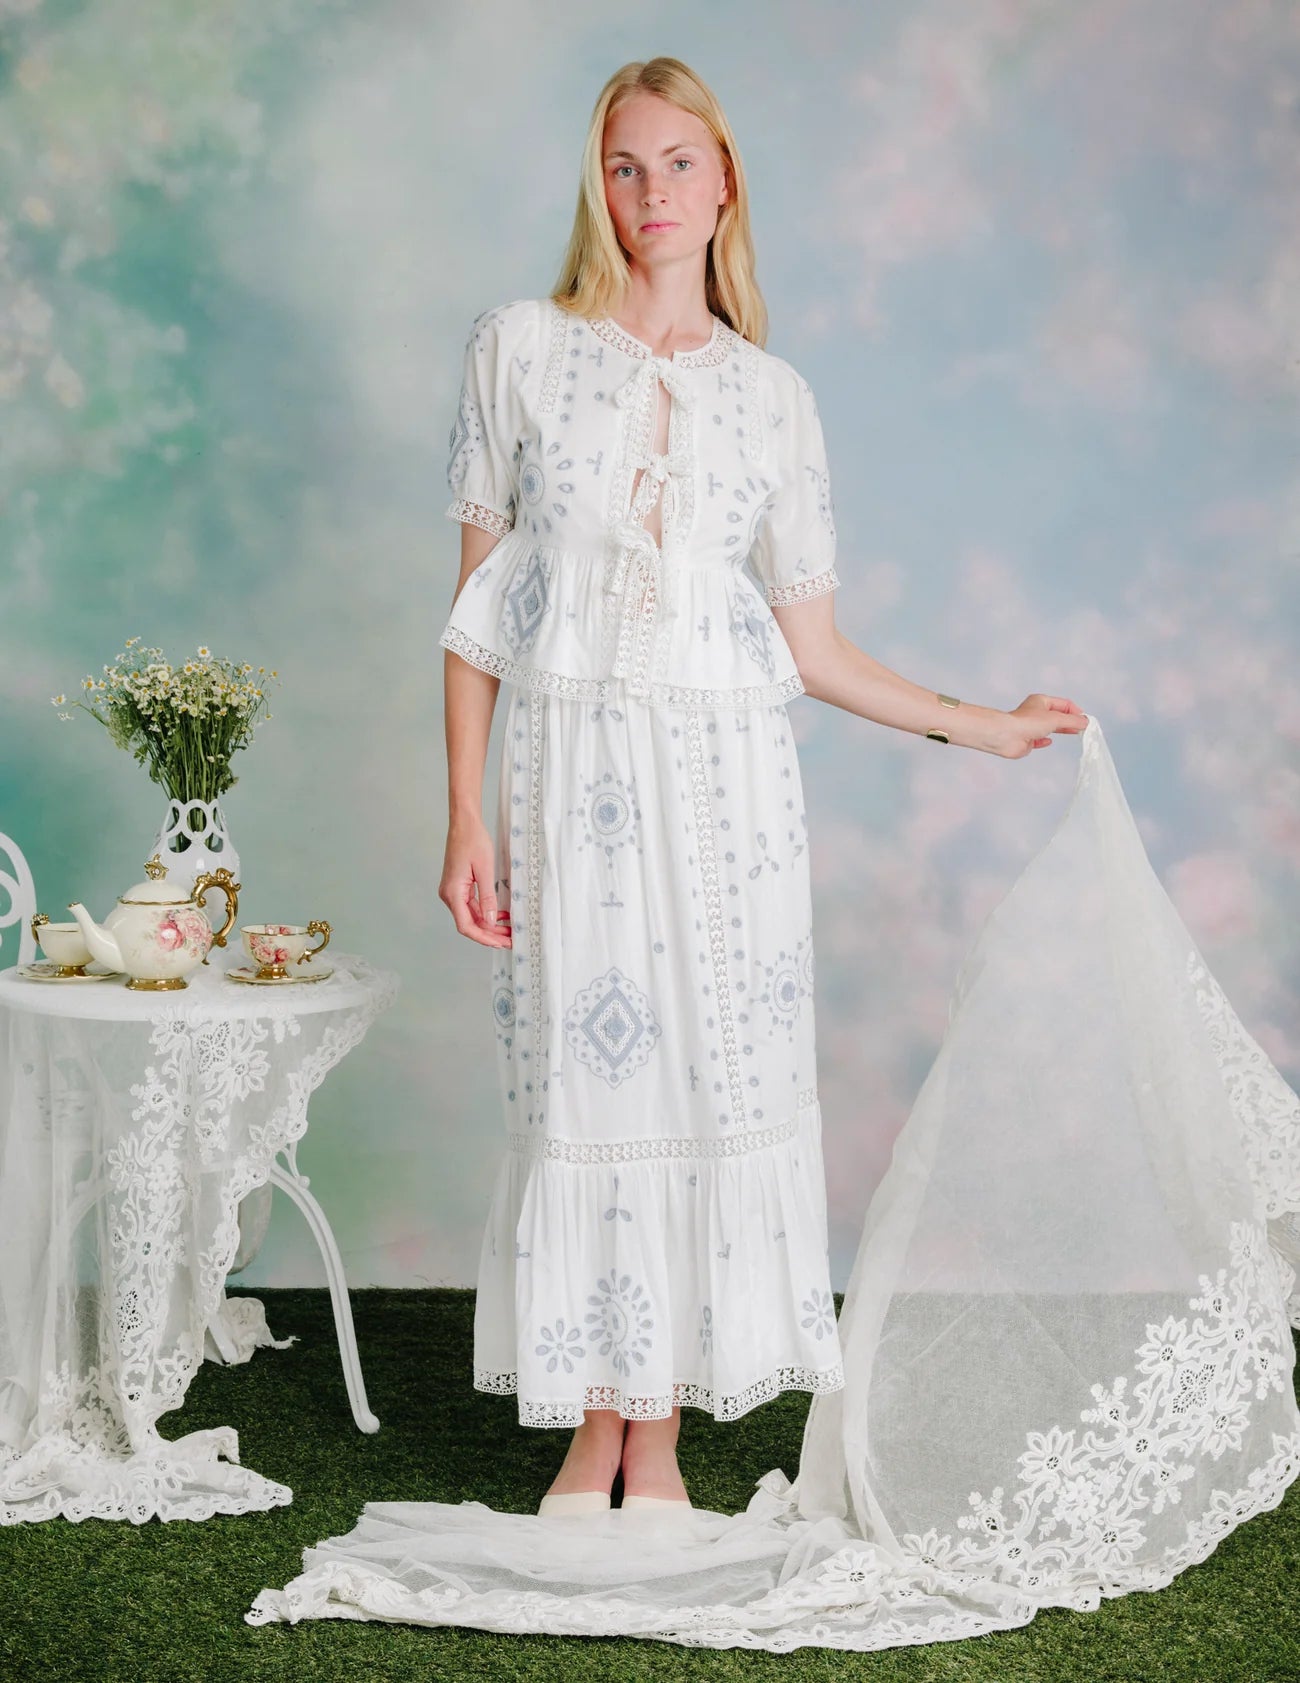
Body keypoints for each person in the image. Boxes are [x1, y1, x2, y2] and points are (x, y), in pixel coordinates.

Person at [435, 55, 1087, 1516]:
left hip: (729, 803)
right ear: (597, 186)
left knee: (702, 1079)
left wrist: (978, 725)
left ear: (725, 182)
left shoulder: (773, 400)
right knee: (585, 1086)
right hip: (568, 783)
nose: (652, 191)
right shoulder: (520, 349)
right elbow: (477, 619)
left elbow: (818, 650)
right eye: (625, 165)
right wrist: (467, 813)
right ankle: (591, 1426)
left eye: (679, 162)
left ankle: (654, 1434)